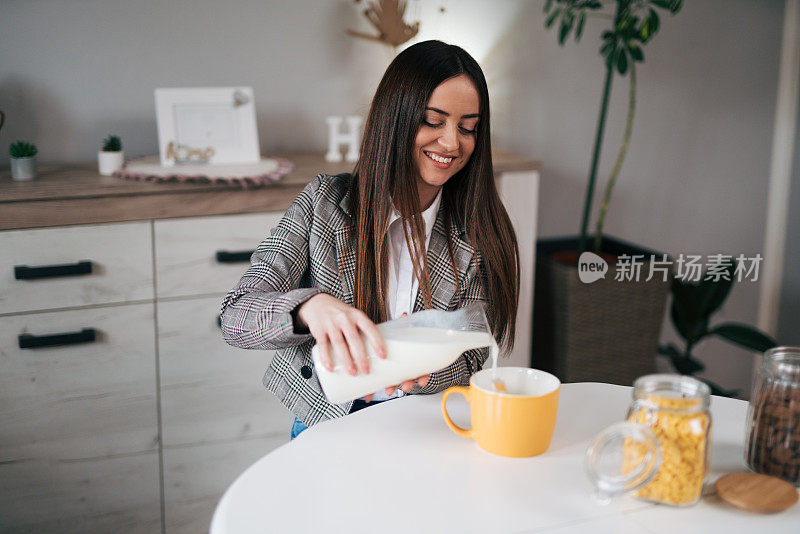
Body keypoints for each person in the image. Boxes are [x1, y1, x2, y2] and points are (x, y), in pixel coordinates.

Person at [220, 40, 519, 439]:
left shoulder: (476, 229)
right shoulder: (325, 204)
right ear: (395, 117)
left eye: (468, 128)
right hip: (324, 428)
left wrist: (429, 371)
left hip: (425, 429)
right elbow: (237, 316)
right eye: (433, 120)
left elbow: (475, 353)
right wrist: (308, 307)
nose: (451, 143)